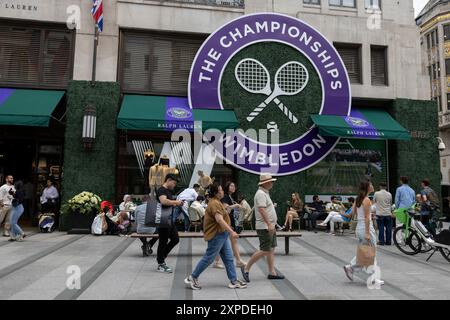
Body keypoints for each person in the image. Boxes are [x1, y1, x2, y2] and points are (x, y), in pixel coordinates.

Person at [184, 183, 247, 290]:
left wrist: (232, 207)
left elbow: (223, 212)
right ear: (216, 193)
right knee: (209, 258)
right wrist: (232, 231)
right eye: (220, 190)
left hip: (222, 234)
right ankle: (192, 278)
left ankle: (233, 280)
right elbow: (219, 219)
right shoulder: (214, 204)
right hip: (217, 235)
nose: (222, 191)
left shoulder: (217, 202)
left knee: (228, 258)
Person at [241, 174, 285, 283]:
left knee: (271, 249)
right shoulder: (260, 194)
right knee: (265, 250)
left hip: (269, 226)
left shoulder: (264, 193)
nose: (272, 183)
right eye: (271, 181)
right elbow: (261, 210)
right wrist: (269, 224)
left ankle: (272, 272)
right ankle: (246, 267)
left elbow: (265, 208)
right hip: (265, 227)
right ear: (265, 183)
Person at [344, 180, 384, 286]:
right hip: (366, 228)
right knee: (371, 252)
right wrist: (367, 233)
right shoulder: (366, 200)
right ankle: (373, 278)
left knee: (364, 252)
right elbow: (366, 217)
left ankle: (350, 267)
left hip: (360, 227)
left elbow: (353, 214)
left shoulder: (358, 199)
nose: (372, 186)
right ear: (367, 187)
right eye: (371, 184)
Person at [155, 174, 182, 273]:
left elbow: (168, 203)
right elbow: (163, 201)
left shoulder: (168, 191)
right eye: (174, 183)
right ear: (169, 180)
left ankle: (161, 257)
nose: (174, 185)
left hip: (169, 219)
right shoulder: (161, 190)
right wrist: (176, 202)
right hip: (163, 219)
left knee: (175, 239)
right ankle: (161, 263)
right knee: (163, 241)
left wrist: (176, 203)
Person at [221, 182, 246, 268]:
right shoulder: (225, 196)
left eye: (234, 186)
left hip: (230, 221)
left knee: (228, 240)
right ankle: (238, 261)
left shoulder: (230, 197)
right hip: (227, 222)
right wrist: (235, 205)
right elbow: (226, 208)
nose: (233, 187)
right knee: (221, 242)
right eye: (231, 185)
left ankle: (238, 260)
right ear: (227, 186)